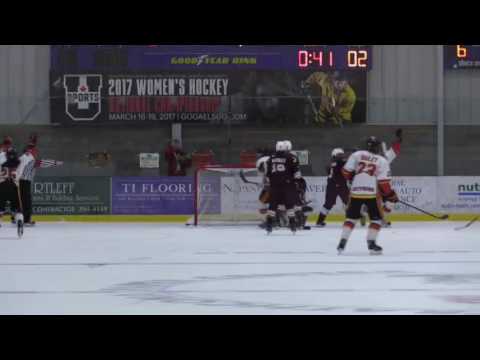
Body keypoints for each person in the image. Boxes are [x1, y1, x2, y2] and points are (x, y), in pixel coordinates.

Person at [337, 136, 399, 255]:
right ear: (377, 147)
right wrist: (391, 195)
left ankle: (342, 241)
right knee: (377, 219)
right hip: (371, 194)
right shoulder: (382, 160)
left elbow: (345, 172)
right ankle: (371, 243)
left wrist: (352, 177)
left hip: (355, 191)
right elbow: (384, 183)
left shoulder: (357, 154)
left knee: (351, 218)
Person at [17, 135, 63, 227]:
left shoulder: (25, 157)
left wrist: (33, 142)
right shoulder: (29, 158)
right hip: (23, 182)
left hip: (21, 181)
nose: (36, 153)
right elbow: (42, 163)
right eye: (35, 151)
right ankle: (26, 220)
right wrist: (55, 163)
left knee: (23, 201)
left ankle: (20, 219)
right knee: (26, 202)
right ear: (30, 151)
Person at [264, 141, 302, 234]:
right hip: (287, 185)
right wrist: (297, 182)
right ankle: (293, 225)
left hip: (275, 185)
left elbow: (268, 174)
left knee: (272, 206)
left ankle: (269, 225)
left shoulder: (271, 158)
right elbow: (297, 173)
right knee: (289, 205)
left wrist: (269, 182)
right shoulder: (290, 157)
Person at [316, 148, 350, 227]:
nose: (341, 156)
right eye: (339, 154)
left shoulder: (331, 163)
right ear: (335, 155)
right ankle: (349, 221)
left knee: (328, 204)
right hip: (340, 184)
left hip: (331, 185)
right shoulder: (341, 162)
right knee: (348, 202)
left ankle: (319, 221)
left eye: (341, 154)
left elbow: (329, 171)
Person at [0, 148, 24, 230]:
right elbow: (20, 174)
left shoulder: (3, 164)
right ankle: (19, 219)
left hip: (2, 185)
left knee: (1, 205)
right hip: (14, 186)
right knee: (17, 207)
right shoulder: (19, 163)